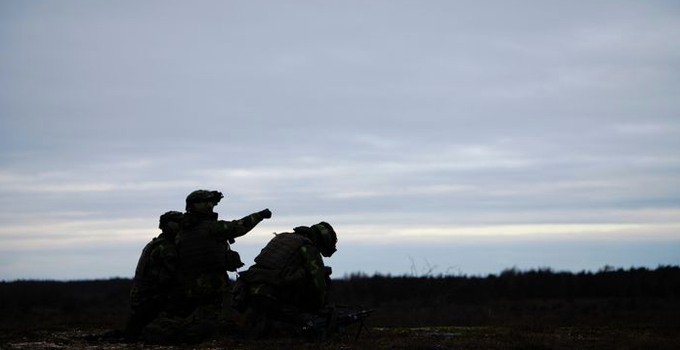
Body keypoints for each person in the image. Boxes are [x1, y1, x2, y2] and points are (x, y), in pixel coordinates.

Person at [141, 189, 271, 344]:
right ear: (195, 205)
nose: (211, 205)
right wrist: (260, 215)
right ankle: (177, 338)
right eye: (206, 202)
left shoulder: (184, 228)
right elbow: (239, 227)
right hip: (209, 283)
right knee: (207, 321)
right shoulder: (208, 227)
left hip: (188, 282)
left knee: (189, 315)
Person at [233, 222, 337, 338]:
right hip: (275, 297)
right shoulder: (307, 247)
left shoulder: (282, 237)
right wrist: (321, 307)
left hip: (252, 294)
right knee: (320, 277)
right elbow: (319, 283)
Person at [124, 210, 184, 340]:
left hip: (142, 298)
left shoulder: (155, 244)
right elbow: (174, 277)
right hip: (151, 300)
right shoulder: (166, 248)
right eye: (179, 223)